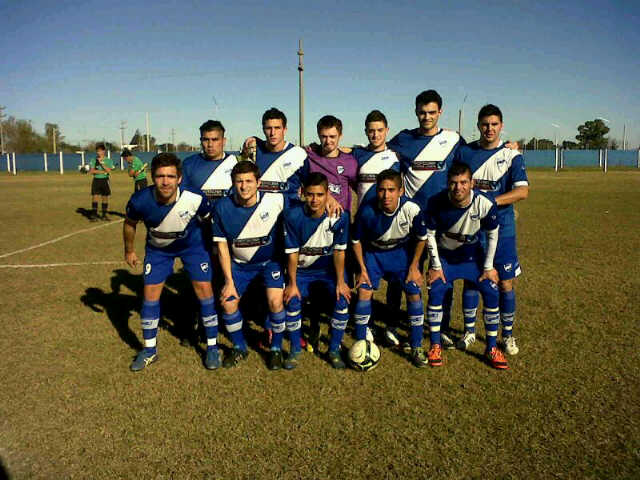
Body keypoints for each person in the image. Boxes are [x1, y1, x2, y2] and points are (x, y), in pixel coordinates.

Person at [123, 153, 221, 371]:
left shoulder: (195, 197)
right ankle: (149, 350)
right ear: (152, 177)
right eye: (159, 176)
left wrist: (211, 249)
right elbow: (130, 223)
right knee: (150, 294)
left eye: (170, 176)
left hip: (192, 247)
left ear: (179, 178)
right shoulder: (140, 200)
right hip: (159, 250)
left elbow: (208, 223)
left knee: (205, 290)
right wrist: (129, 250)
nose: (165, 181)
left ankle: (213, 348)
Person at [454, 104, 529, 355]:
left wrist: (490, 202)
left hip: (503, 229)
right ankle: (469, 332)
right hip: (472, 229)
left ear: (501, 126)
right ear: (478, 126)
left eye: (494, 124)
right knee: (471, 280)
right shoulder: (465, 153)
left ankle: (507, 336)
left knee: (506, 283)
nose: (489, 128)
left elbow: (522, 191)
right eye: (485, 124)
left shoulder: (511, 156)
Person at [424, 162, 507, 369]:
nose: (458, 188)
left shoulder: (485, 203)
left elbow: (493, 235)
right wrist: (435, 265)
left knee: (491, 290)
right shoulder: (436, 202)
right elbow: (430, 235)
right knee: (436, 289)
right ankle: (435, 345)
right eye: (453, 183)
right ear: (447, 183)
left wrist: (488, 267)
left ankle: (491, 347)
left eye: (463, 182)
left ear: (472, 183)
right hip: (446, 258)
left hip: (472, 256)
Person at [212, 161, 287, 370]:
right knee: (228, 302)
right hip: (239, 266)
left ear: (258, 183)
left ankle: (276, 350)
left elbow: (307, 200)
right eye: (239, 181)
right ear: (232, 183)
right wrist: (228, 281)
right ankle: (239, 347)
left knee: (276, 302)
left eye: (248, 181)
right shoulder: (222, 207)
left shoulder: (276, 200)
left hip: (269, 263)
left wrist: (330, 199)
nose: (244, 186)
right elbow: (222, 247)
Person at [351, 169, 429, 367]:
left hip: (401, 254)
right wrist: (362, 269)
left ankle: (416, 345)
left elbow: (422, 238)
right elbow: (356, 241)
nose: (386, 195)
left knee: (413, 293)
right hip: (374, 255)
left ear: (401, 191)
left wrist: (414, 266)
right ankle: (361, 341)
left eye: (391, 190)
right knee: (364, 291)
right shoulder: (367, 210)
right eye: (382, 190)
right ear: (376, 191)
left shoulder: (412, 209)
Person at [282, 172, 351, 369]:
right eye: (310, 194)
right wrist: (292, 284)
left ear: (327, 194)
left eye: (320, 195)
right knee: (292, 300)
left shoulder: (339, 217)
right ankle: (295, 348)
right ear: (303, 193)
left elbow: (339, 252)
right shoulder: (292, 216)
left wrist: (340, 282)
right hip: (302, 272)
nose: (315, 200)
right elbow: (292, 254)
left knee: (342, 298)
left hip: (327, 272)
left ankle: (334, 348)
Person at [242, 108, 308, 200]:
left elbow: (312, 184)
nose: (273, 133)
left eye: (277, 128)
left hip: (288, 212)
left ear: (285, 130)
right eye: (269, 128)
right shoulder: (254, 150)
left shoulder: (298, 154)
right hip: (259, 211)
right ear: (263, 130)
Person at [306, 115, 358, 213]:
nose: (328, 141)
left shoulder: (350, 162)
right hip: (314, 220)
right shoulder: (309, 157)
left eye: (332, 137)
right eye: (324, 136)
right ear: (318, 135)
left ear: (340, 136)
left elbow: (360, 189)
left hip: (340, 219)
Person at [182, 120, 237, 206]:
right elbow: (183, 196)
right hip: (198, 217)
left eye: (215, 140)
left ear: (224, 141)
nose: (210, 144)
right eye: (206, 140)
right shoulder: (189, 164)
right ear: (201, 141)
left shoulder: (235, 162)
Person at [88, 143, 115, 221]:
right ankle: (94, 215)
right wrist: (103, 172)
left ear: (104, 151)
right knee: (95, 197)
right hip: (96, 180)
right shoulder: (93, 160)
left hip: (105, 180)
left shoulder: (108, 160)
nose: (98, 153)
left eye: (100, 151)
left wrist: (102, 163)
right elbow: (92, 171)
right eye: (97, 151)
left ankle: (104, 215)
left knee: (105, 197)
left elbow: (109, 171)